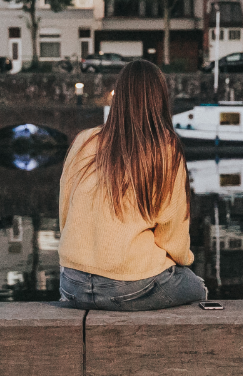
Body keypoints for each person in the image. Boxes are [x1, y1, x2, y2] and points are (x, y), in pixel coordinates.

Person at [57, 60, 206, 311]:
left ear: (119, 97)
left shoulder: (84, 140)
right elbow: (172, 232)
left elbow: (65, 212)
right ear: (160, 99)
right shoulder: (166, 148)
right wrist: (181, 261)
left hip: (72, 283)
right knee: (197, 286)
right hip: (128, 285)